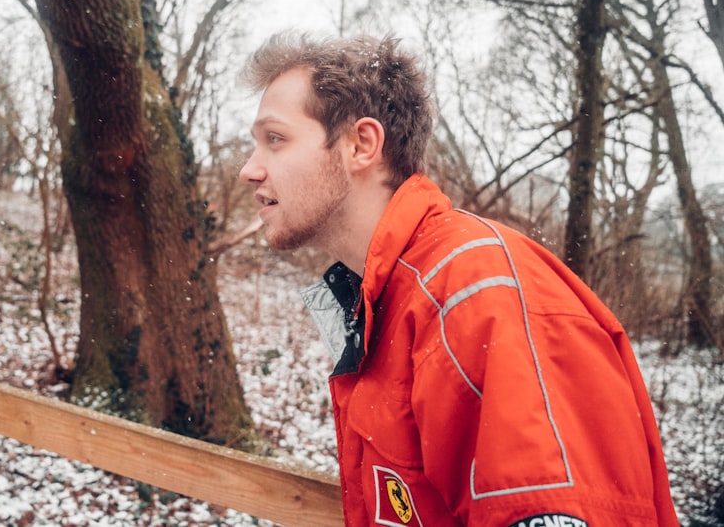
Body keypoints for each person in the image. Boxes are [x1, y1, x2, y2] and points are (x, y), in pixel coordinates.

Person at [238, 33, 678, 527]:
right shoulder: (389, 294)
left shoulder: (477, 294)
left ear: (361, 144)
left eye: (274, 139)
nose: (249, 170)